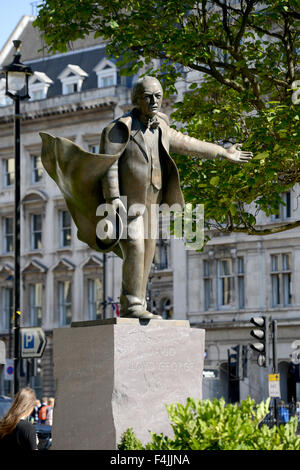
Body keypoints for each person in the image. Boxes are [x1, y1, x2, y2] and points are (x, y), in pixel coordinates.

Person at [40, 76, 252, 319]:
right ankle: (131, 303)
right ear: (136, 100)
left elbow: (188, 142)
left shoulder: (161, 127)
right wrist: (113, 200)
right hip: (126, 204)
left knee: (147, 255)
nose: (154, 101)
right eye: (148, 96)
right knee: (136, 249)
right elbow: (108, 166)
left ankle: (136, 301)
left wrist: (222, 152)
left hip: (153, 202)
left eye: (158, 96)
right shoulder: (118, 129)